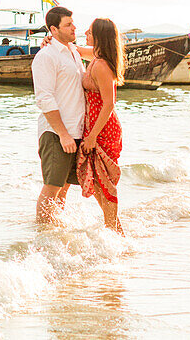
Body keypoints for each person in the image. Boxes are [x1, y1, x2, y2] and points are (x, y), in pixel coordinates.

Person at [31, 5, 86, 225]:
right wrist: (63, 134)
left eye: (73, 23)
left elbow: (103, 51)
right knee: (52, 186)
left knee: (64, 187)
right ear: (54, 29)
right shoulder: (46, 56)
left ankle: (56, 230)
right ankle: (42, 233)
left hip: (74, 130)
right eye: (68, 25)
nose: (74, 27)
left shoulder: (72, 51)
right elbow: (44, 99)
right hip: (56, 132)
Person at [77, 18, 125, 234]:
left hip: (103, 129)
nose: (85, 31)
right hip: (96, 127)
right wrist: (53, 41)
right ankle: (116, 232)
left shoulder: (102, 65)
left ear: (98, 37)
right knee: (99, 183)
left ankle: (115, 233)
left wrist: (93, 136)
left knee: (103, 183)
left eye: (90, 30)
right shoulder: (96, 57)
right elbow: (77, 49)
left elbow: (109, 103)